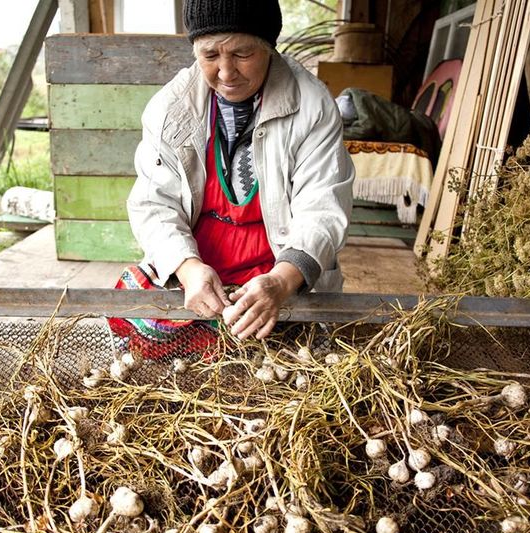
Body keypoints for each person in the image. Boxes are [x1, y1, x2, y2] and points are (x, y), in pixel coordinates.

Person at [111, 0, 353, 354]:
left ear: (268, 47)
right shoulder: (171, 108)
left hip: (274, 269)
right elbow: (153, 203)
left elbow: (323, 207)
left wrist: (280, 283)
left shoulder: (312, 106)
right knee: (135, 312)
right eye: (210, 55)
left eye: (242, 53)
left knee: (294, 338)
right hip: (201, 269)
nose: (226, 72)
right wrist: (189, 269)